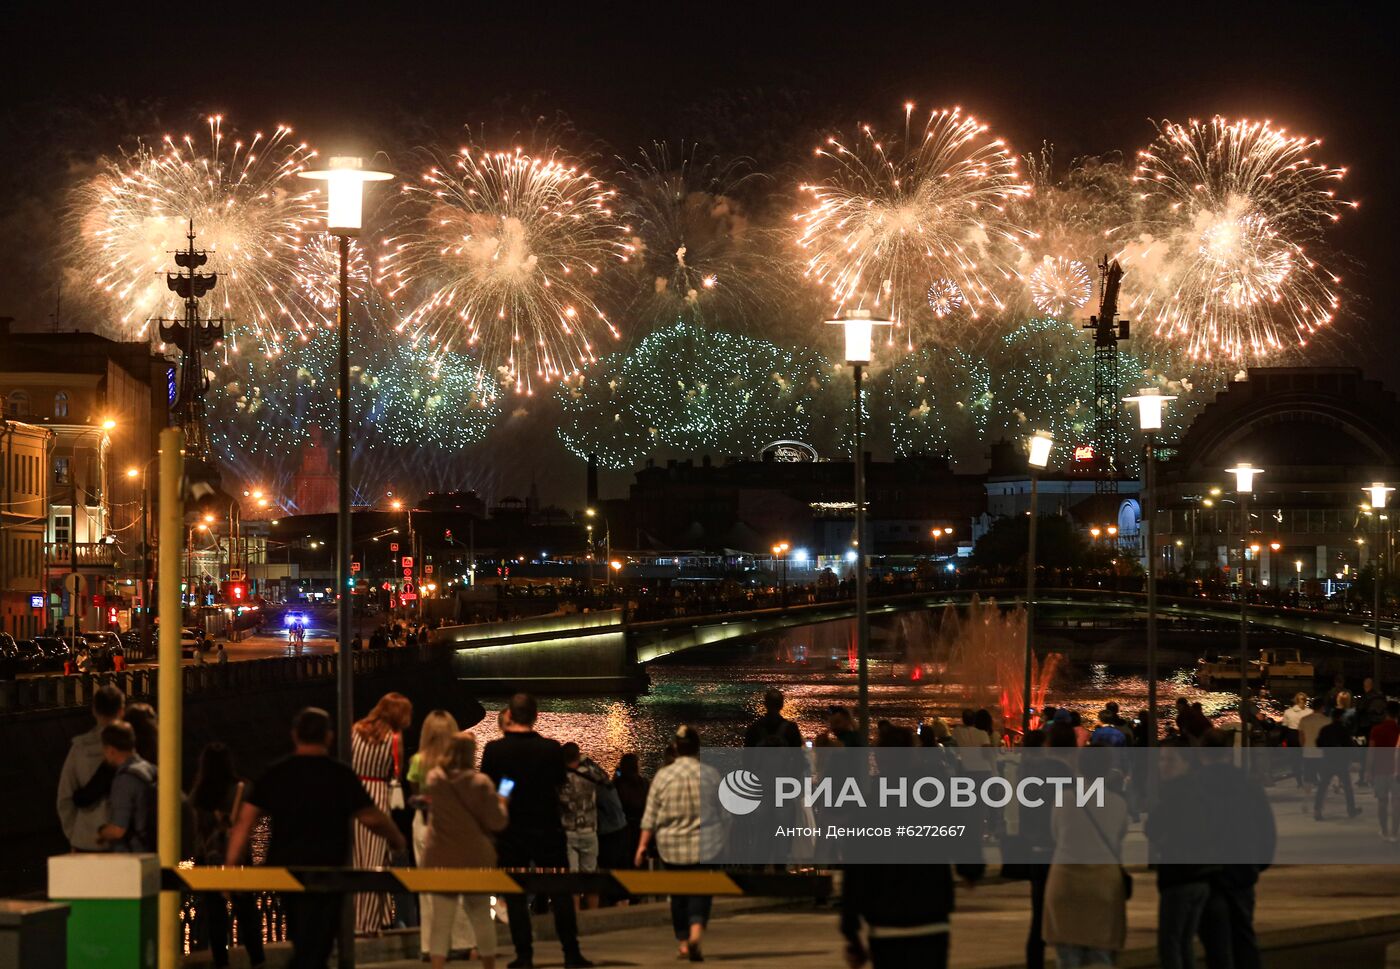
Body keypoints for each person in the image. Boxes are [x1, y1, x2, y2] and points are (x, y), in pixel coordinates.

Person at [226, 707, 405, 969]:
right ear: (329, 737)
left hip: (286, 870)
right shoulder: (340, 775)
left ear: (295, 735)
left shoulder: (276, 773)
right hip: (329, 870)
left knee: (300, 932)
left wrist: (231, 865)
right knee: (321, 937)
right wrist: (396, 839)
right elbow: (371, 818)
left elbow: (245, 820)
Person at [479, 693, 593, 969]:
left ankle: (524, 955)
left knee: (516, 894)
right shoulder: (551, 749)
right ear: (535, 716)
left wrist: (510, 788)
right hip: (547, 827)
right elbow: (558, 782)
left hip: (512, 830)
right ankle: (571, 952)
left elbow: (493, 787)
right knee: (561, 890)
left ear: (509, 716)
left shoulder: (495, 750)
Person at [635, 725, 724, 963]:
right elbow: (724, 813)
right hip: (704, 846)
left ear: (675, 746)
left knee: (677, 895)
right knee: (701, 892)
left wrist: (642, 846)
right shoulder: (710, 774)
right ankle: (696, 934)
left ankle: (683, 943)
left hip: (671, 847)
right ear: (697, 748)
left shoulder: (663, 776)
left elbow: (650, 816)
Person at [421, 732, 508, 969]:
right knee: (481, 915)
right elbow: (497, 822)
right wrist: (503, 800)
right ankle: (488, 965)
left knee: (441, 919)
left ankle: (437, 965)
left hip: (441, 857)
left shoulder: (435, 779)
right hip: (475, 858)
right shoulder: (480, 783)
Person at [1042, 761, 1130, 968]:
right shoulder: (1118, 802)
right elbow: (1119, 838)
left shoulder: (1064, 798)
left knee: (1067, 955)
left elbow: (1055, 834)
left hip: (1066, 877)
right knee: (1101, 953)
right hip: (1103, 880)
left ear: (1079, 769)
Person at [187, 742, 265, 969]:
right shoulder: (242, 788)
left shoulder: (198, 793)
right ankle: (257, 959)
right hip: (238, 856)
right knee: (247, 911)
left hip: (209, 859)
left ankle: (221, 961)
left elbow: (194, 830)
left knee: (215, 915)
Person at [407, 710, 476, 960]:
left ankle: (429, 945)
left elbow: (414, 794)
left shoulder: (417, 761)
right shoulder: (459, 761)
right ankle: (463, 942)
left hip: (424, 823)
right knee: (456, 882)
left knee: (426, 886)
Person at [351, 692, 413, 934]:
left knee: (357, 858)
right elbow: (396, 773)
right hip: (378, 794)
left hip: (356, 794)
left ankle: (357, 916)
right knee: (378, 859)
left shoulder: (356, 729)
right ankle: (371, 921)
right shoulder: (393, 738)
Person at [57, 683, 125, 851]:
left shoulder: (80, 748)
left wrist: (74, 834)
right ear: (121, 711)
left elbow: (64, 798)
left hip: (85, 839)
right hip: (120, 843)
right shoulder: (129, 749)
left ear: (94, 710)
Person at [95, 722, 157, 853]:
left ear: (111, 750)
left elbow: (118, 830)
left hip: (135, 856)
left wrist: (102, 832)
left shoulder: (125, 779)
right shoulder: (150, 769)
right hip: (154, 849)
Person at [559, 742, 608, 887]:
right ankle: (592, 910)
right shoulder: (589, 775)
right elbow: (605, 778)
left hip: (568, 831)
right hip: (589, 828)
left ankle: (575, 909)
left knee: (571, 879)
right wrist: (587, 759)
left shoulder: (559, 777)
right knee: (591, 879)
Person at [1315, 707, 1362, 820]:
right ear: (1341, 717)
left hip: (1327, 760)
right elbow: (1349, 746)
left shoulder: (1325, 729)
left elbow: (1318, 743)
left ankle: (1317, 810)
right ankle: (1351, 810)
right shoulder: (1343, 729)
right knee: (1347, 787)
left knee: (1323, 786)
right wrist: (1355, 759)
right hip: (1341, 761)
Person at [1368, 701, 1400, 841]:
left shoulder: (1376, 730)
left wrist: (1368, 770)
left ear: (1386, 713)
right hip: (1397, 770)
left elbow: (1371, 752)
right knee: (1396, 803)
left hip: (1379, 769)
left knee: (1382, 802)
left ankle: (1384, 830)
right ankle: (1394, 833)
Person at [613, 753, 650, 871]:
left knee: (624, 861)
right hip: (640, 826)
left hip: (623, 828)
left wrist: (616, 776)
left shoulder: (618, 784)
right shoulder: (644, 783)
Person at [1282, 692, 1310, 786]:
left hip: (1294, 735)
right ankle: (1303, 779)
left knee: (1296, 760)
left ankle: (1300, 781)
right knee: (1304, 759)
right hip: (1301, 735)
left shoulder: (1288, 712)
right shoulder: (1309, 712)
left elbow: (1284, 727)